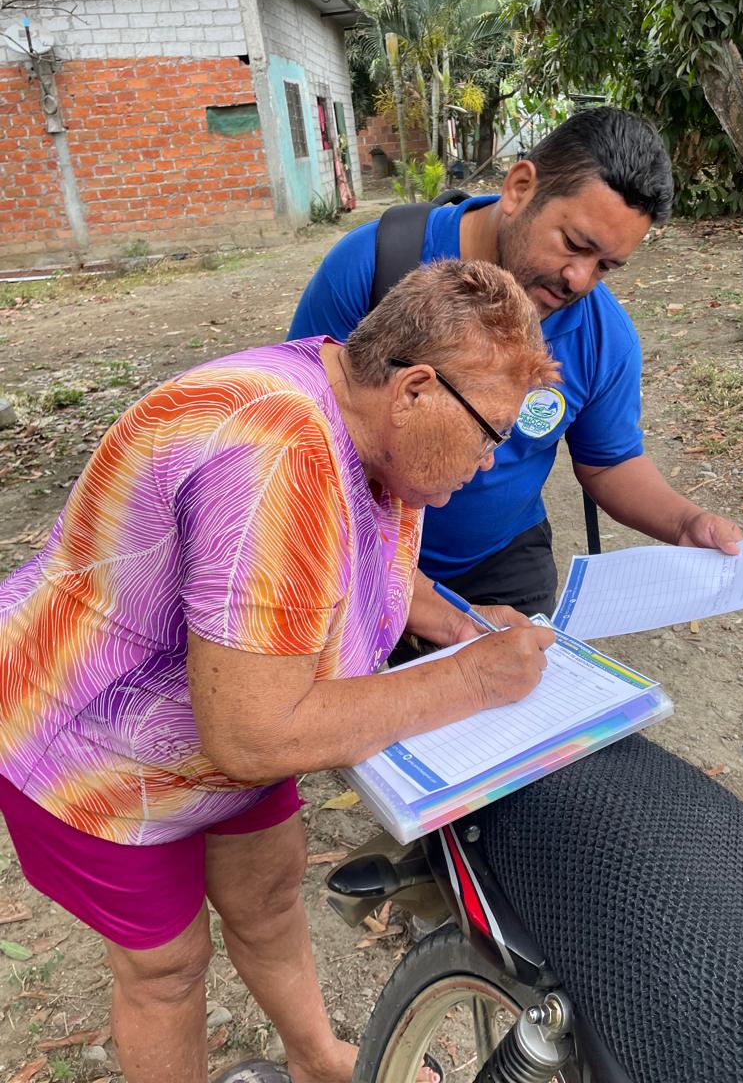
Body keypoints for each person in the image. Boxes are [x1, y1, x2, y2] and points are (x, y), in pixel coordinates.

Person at [0, 261, 557, 1083]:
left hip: (225, 711)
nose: (489, 462)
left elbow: (360, 551)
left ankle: (317, 1060)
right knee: (167, 968)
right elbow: (255, 734)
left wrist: (455, 621)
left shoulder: (354, 404)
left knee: (267, 894)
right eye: (492, 434)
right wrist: (471, 679)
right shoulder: (276, 454)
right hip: (93, 749)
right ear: (415, 389)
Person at [289, 107, 743, 619]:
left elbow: (609, 460)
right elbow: (303, 431)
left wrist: (685, 523)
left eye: (606, 266)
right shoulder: (373, 267)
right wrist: (436, 616)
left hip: (501, 561)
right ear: (520, 188)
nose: (578, 279)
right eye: (574, 244)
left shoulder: (601, 335)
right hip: (356, 557)